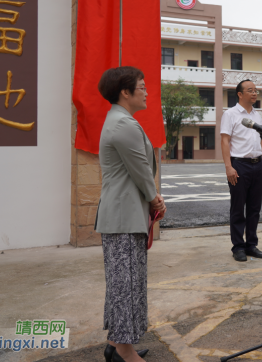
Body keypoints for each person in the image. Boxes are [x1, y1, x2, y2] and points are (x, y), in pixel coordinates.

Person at [96, 66, 166, 362]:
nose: (146, 91)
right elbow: (140, 170)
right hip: (124, 215)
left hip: (124, 214)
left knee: (124, 283)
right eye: (141, 86)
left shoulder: (120, 120)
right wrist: (155, 199)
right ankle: (124, 352)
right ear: (125, 92)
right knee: (125, 285)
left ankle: (116, 344)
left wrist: (151, 197)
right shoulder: (123, 124)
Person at [221, 79, 262, 262]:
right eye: (250, 90)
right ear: (240, 94)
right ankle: (238, 246)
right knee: (237, 208)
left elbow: (261, 140)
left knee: (254, 208)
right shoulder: (231, 114)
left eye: (256, 90)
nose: (254, 93)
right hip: (239, 165)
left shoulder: (257, 115)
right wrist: (228, 167)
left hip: (257, 164)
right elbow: (225, 141)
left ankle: (251, 244)